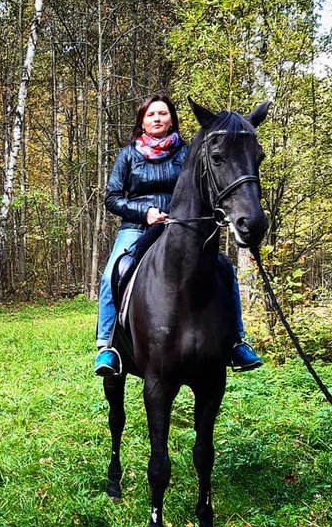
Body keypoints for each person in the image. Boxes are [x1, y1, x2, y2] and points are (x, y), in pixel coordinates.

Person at [94, 94, 262, 377]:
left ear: (172, 119)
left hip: (182, 226)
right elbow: (111, 198)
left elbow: (204, 186)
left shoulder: (187, 152)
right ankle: (107, 346)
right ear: (142, 121)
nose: (157, 118)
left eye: (162, 113)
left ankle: (236, 342)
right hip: (137, 228)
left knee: (224, 268)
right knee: (114, 272)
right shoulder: (128, 155)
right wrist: (144, 212)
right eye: (150, 115)